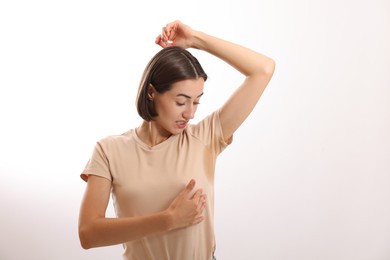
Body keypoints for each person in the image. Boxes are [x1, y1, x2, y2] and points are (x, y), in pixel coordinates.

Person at [78, 20, 275, 260]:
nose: (190, 113)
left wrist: (195, 39)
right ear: (151, 92)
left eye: (197, 101)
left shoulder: (204, 137)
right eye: (181, 102)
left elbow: (263, 69)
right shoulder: (109, 150)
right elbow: (88, 234)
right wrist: (168, 220)